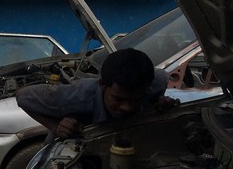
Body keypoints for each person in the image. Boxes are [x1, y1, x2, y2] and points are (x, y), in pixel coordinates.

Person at [15, 47, 174, 140]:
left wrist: (158, 103)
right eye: (118, 99)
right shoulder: (75, 97)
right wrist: (56, 127)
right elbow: (22, 95)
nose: (127, 107)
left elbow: (160, 81)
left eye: (136, 99)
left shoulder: (158, 81)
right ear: (102, 84)